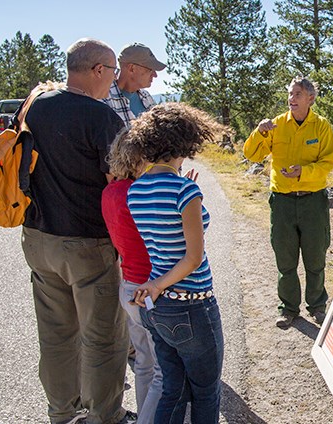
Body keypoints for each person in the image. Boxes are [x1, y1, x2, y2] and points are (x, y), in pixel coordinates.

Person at [21, 38, 133, 424]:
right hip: (88, 243)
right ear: (98, 70)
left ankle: (61, 412)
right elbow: (118, 181)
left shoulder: (36, 107)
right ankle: (105, 416)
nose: (114, 80)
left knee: (55, 335)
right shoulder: (101, 117)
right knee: (103, 338)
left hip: (37, 238)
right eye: (113, 71)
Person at [111, 102, 227, 423]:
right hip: (193, 305)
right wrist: (187, 190)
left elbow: (164, 237)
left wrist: (156, 286)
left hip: (157, 310)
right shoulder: (186, 191)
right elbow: (192, 257)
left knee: (173, 388)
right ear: (184, 144)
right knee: (206, 390)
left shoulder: (136, 192)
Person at [100, 41, 167, 424]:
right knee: (130, 270)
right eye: (148, 68)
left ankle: (140, 346)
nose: (153, 75)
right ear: (128, 67)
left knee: (139, 265)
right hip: (120, 199)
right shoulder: (102, 98)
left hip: (143, 196)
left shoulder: (146, 99)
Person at [243, 76, 333, 328]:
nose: (291, 99)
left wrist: (302, 172)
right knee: (285, 259)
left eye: (297, 94)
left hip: (313, 201)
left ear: (310, 98)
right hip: (282, 202)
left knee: (315, 257)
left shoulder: (321, 126)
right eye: (290, 94)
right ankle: (288, 309)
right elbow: (251, 154)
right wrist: (259, 132)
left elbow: (328, 162)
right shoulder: (275, 125)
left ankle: (317, 306)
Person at [102, 153, 164, 424]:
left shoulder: (109, 192)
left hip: (127, 284)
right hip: (148, 288)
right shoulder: (139, 192)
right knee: (163, 369)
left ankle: (145, 413)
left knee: (143, 364)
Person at [103, 43, 164, 125]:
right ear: (132, 68)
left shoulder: (146, 97)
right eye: (150, 69)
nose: (155, 75)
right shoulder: (104, 99)